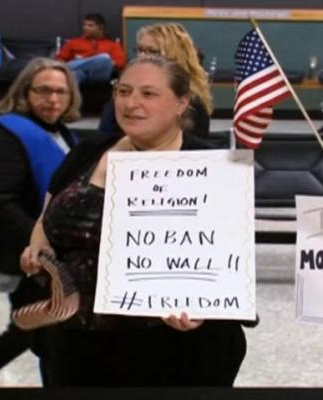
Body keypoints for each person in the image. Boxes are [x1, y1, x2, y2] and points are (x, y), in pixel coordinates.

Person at [21, 54, 246, 387]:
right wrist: (37, 248)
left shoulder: (211, 167)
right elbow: (45, 219)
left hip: (169, 350)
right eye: (123, 91)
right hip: (72, 345)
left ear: (182, 103)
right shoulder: (89, 150)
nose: (131, 103)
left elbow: (226, 264)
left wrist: (200, 309)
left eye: (148, 94)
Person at [0, 57, 81, 387]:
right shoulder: (9, 133)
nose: (53, 100)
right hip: (29, 259)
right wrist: (41, 245)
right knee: (41, 337)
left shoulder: (61, 133)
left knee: (38, 337)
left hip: (55, 259)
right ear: (25, 92)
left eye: (61, 93)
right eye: (44, 91)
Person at [98, 23, 212, 139]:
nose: (142, 57)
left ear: (175, 55)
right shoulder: (124, 92)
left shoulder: (194, 104)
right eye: (140, 50)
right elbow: (104, 137)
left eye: (152, 52)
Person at [55, 13, 126, 84]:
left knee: (104, 58)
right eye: (84, 25)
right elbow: (59, 60)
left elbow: (120, 63)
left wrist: (97, 63)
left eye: (90, 25)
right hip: (79, 74)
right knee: (77, 74)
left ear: (100, 27)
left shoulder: (112, 45)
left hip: (99, 75)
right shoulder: (73, 43)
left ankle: (72, 67)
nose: (85, 28)